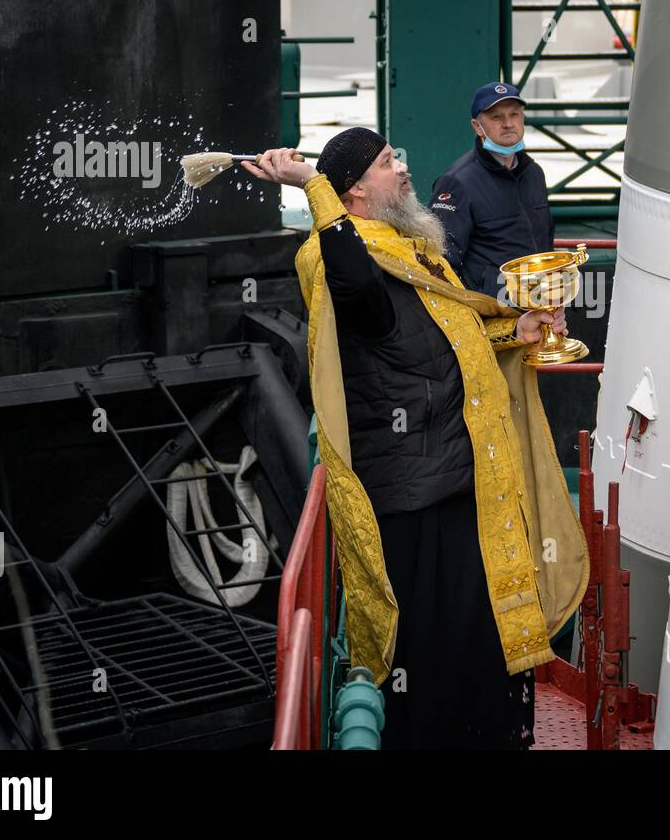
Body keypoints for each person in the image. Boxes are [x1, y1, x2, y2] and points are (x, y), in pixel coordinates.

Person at [242, 131, 587, 749]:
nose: (402, 170)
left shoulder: (406, 250)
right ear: (353, 189)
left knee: (473, 638)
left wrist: (520, 330)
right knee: (427, 657)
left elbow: (443, 339)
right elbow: (355, 290)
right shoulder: (338, 256)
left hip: (454, 476)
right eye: (384, 163)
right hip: (409, 492)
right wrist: (309, 186)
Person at [429, 82, 554, 298]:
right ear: (478, 127)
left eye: (514, 115)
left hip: (538, 302)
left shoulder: (534, 173)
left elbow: (544, 240)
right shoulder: (457, 182)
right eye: (496, 117)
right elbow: (441, 262)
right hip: (493, 312)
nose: (508, 123)